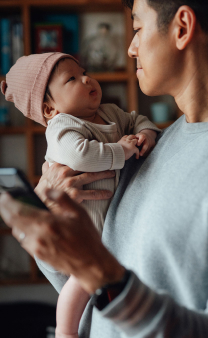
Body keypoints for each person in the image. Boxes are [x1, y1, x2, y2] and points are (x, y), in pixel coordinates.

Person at [1, 0, 208, 336]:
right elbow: (94, 294)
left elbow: (103, 278)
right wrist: (48, 236)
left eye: (138, 28)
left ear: (182, 27)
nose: (129, 48)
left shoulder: (135, 140)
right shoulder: (150, 146)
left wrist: (98, 271)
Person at [0, 52, 159, 338]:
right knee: (78, 284)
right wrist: (121, 151)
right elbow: (81, 155)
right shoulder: (62, 128)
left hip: (108, 231)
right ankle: (65, 331)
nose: (86, 78)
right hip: (81, 230)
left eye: (83, 71)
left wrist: (146, 132)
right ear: (49, 110)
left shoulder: (111, 113)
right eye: (71, 78)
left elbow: (136, 119)